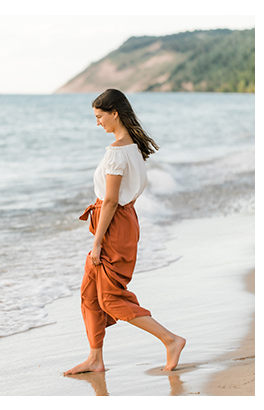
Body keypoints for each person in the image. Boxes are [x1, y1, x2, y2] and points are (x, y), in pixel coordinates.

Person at [65, 89, 187, 375]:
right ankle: (95, 358)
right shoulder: (132, 146)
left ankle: (171, 340)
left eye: (100, 116)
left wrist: (97, 243)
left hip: (114, 227)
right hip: (123, 221)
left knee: (110, 297)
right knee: (90, 293)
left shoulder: (117, 152)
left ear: (114, 113)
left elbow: (110, 201)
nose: (97, 122)